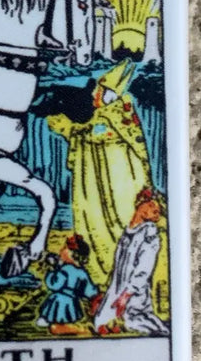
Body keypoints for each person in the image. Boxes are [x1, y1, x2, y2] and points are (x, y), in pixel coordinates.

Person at [46, 60, 157, 288]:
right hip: (93, 181)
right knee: (92, 221)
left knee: (120, 221)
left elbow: (134, 144)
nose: (95, 94)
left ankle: (120, 275)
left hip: (119, 177)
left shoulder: (120, 113)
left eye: (99, 90)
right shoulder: (96, 116)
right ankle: (98, 275)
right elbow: (80, 132)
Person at [93, 188, 169, 336]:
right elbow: (118, 266)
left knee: (131, 322)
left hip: (134, 292)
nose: (156, 213)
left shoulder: (149, 233)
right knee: (100, 322)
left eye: (158, 211)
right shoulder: (129, 231)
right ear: (141, 204)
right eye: (152, 206)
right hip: (117, 289)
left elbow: (144, 268)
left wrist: (126, 295)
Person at [36, 235, 98, 334]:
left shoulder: (64, 270)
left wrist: (52, 270)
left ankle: (54, 324)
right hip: (73, 301)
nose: (61, 250)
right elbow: (89, 290)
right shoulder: (82, 272)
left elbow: (54, 285)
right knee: (68, 316)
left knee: (54, 314)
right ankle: (67, 326)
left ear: (72, 254)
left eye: (64, 248)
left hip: (59, 299)